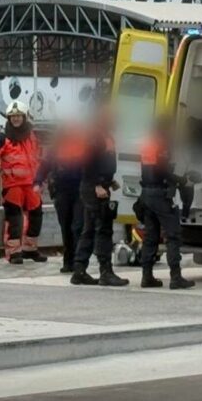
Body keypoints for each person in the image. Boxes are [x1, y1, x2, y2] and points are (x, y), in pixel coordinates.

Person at [71, 106, 128, 287]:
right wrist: (97, 184)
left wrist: (109, 182)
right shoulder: (96, 136)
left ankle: (79, 270)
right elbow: (88, 163)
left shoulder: (102, 135)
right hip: (94, 188)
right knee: (103, 229)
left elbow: (101, 163)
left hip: (97, 186)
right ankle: (106, 272)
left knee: (89, 229)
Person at [138, 116, 194, 290]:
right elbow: (161, 171)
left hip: (146, 194)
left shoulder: (147, 144)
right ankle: (175, 277)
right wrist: (181, 180)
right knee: (173, 235)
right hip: (160, 195)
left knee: (150, 236)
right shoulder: (161, 144)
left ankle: (146, 276)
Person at [0, 101, 45, 264]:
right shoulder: (3, 136)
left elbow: (38, 156)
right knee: (15, 220)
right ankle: (13, 252)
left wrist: (42, 177)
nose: (15, 119)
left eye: (18, 116)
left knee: (36, 216)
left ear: (24, 117)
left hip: (32, 184)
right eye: (12, 117)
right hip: (12, 185)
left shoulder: (32, 135)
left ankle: (30, 249)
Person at [36, 121, 88, 274]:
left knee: (77, 226)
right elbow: (44, 165)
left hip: (79, 190)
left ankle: (78, 262)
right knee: (66, 226)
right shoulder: (56, 148)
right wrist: (37, 181)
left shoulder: (84, 146)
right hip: (62, 190)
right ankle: (69, 261)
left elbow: (91, 165)